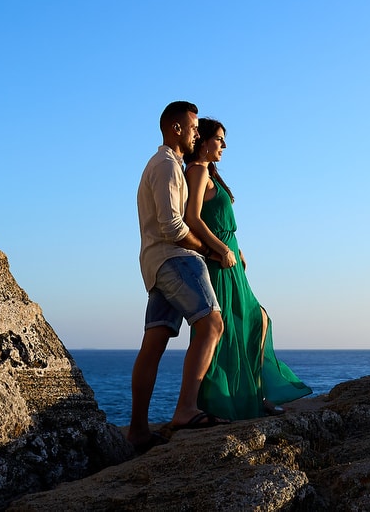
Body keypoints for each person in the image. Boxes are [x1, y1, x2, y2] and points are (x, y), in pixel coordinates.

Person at [184, 118, 311, 419]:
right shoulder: (198, 171)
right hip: (219, 263)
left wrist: (234, 248)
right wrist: (223, 249)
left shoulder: (209, 172)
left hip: (230, 262)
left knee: (255, 321)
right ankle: (224, 401)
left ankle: (255, 395)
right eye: (219, 139)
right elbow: (193, 219)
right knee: (239, 325)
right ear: (202, 140)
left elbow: (214, 220)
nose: (224, 145)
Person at [128, 100, 227, 451]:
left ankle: (137, 430)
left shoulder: (156, 165)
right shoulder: (168, 165)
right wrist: (205, 248)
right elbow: (172, 225)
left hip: (154, 263)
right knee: (212, 324)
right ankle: (186, 409)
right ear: (176, 128)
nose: (198, 133)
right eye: (194, 127)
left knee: (153, 345)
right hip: (176, 258)